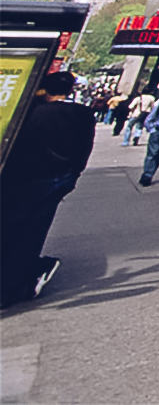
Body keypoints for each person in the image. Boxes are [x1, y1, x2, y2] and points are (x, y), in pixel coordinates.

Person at [0, 71, 95, 306]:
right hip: (57, 176)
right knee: (34, 229)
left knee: (10, 226)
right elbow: (84, 148)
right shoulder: (82, 114)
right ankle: (12, 285)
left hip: (22, 176)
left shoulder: (31, 112)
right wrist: (73, 175)